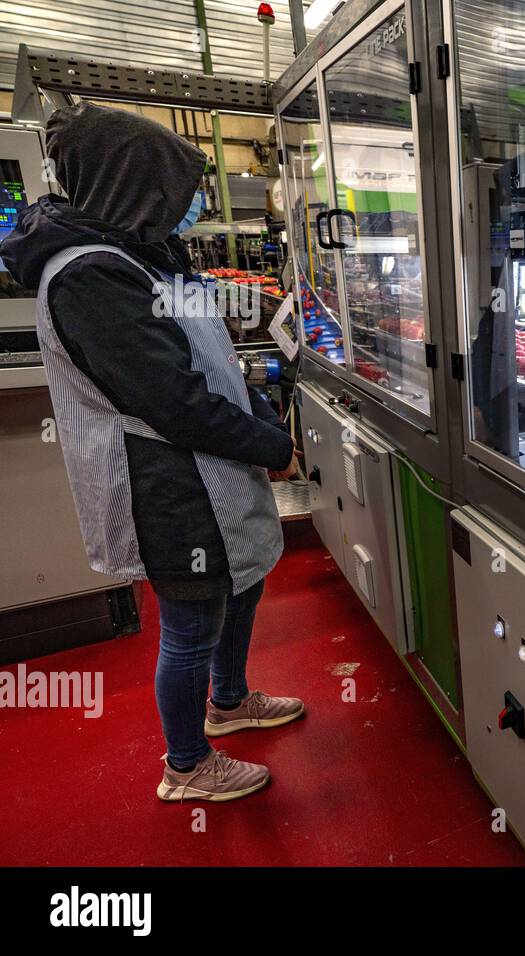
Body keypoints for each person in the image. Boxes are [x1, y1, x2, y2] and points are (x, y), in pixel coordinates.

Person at [0, 103, 304, 803]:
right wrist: (270, 442)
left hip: (211, 462)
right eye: (178, 188)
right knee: (194, 616)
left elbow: (212, 361)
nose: (189, 203)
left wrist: (259, 417)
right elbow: (171, 401)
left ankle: (228, 703)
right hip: (165, 476)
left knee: (243, 583)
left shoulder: (141, 252)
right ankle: (187, 765)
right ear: (135, 185)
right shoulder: (89, 275)